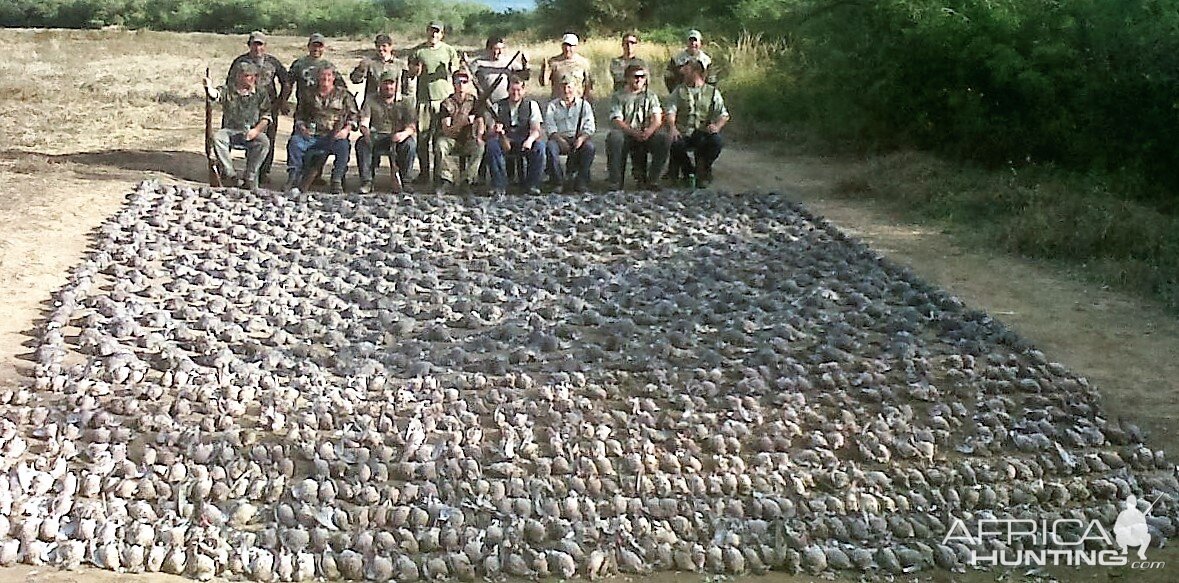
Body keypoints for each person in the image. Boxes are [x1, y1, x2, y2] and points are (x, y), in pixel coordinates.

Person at [225, 31, 290, 184]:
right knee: (233, 133)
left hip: (267, 106)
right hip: (242, 106)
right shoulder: (240, 62)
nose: (257, 48)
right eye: (254, 44)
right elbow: (230, 83)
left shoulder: (273, 62)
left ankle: (262, 171)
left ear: (265, 46)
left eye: (260, 44)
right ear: (249, 45)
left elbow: (286, 82)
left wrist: (282, 101)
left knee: (267, 139)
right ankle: (226, 170)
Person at [285, 65, 357, 194]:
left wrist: (346, 130)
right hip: (311, 135)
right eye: (323, 75)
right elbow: (299, 114)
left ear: (334, 78)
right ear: (318, 77)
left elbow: (354, 115)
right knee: (295, 142)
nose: (326, 78)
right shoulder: (308, 93)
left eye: (329, 75)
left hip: (334, 135)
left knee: (344, 146)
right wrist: (302, 127)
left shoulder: (344, 95)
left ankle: (337, 179)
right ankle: (294, 177)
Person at [204, 63, 272, 191]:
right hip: (231, 131)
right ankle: (230, 174)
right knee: (218, 138)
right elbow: (215, 95)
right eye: (247, 76)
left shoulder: (261, 93)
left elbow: (266, 117)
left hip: (250, 132)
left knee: (263, 142)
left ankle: (250, 177)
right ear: (239, 77)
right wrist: (209, 87)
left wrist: (256, 131)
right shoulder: (228, 90)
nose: (252, 79)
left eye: (254, 76)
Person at [409, 21, 461, 186]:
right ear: (426, 32)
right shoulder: (418, 51)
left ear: (442, 34)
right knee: (422, 140)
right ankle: (424, 173)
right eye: (431, 31)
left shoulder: (449, 51)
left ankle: (440, 175)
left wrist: (449, 71)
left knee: (441, 139)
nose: (434, 34)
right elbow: (410, 74)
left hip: (444, 102)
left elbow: (457, 73)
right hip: (424, 101)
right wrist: (415, 71)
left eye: (437, 32)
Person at [664, 59, 729, 187]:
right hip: (683, 131)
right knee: (675, 142)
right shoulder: (678, 91)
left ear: (696, 72)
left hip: (703, 132)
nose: (682, 72)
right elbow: (670, 111)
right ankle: (688, 171)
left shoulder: (712, 92)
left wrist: (717, 126)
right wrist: (672, 127)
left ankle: (704, 169)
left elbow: (724, 114)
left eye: (686, 69)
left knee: (716, 142)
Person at [606, 64, 668, 191]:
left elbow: (657, 118)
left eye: (642, 76)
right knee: (614, 138)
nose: (639, 79)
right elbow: (616, 119)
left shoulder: (651, 96)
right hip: (626, 133)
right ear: (627, 78)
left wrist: (649, 131)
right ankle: (616, 181)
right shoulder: (618, 96)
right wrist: (632, 132)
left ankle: (653, 180)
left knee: (663, 138)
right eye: (635, 77)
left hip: (646, 133)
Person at [356, 71, 417, 194]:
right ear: (380, 85)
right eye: (385, 84)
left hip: (398, 136)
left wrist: (403, 134)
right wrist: (366, 132)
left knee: (410, 144)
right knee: (362, 143)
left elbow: (412, 125)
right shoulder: (371, 100)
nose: (388, 87)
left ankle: (406, 181)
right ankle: (367, 181)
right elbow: (364, 121)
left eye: (391, 84)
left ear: (396, 85)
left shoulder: (405, 102)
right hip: (376, 136)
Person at [486, 76, 545, 196]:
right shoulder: (498, 106)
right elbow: (490, 130)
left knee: (539, 147)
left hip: (524, 139)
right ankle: (499, 185)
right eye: (513, 89)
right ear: (508, 90)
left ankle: (532, 185)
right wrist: (496, 130)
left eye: (518, 90)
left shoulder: (532, 105)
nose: (515, 93)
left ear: (523, 91)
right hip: (504, 140)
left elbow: (536, 129)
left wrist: (529, 140)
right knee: (492, 145)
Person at [434, 70, 485, 195]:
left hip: (469, 139)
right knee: (441, 145)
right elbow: (446, 129)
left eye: (464, 82)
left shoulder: (474, 102)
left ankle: (467, 180)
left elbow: (480, 121)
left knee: (480, 147)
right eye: (458, 82)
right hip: (452, 139)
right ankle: (446, 179)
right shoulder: (446, 104)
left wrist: (479, 136)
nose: (461, 85)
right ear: (453, 84)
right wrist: (462, 123)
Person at [544, 74, 595, 193]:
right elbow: (550, 127)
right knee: (550, 147)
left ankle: (581, 181)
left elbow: (590, 127)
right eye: (563, 87)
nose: (566, 91)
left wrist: (581, 139)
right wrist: (560, 140)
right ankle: (558, 181)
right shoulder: (552, 106)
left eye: (569, 87)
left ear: (576, 88)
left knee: (589, 148)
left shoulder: (584, 105)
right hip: (559, 138)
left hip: (578, 138)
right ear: (559, 89)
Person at [350, 33, 410, 108]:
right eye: (378, 46)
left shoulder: (400, 65)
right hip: (373, 105)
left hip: (394, 105)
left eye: (384, 46)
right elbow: (355, 80)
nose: (381, 49)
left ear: (390, 47)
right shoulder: (370, 63)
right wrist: (360, 69)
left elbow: (406, 87)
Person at [469, 35, 530, 106]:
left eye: (502, 49)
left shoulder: (509, 62)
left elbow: (525, 77)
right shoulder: (478, 63)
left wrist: (525, 64)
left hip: (505, 104)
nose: (500, 52)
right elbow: (466, 77)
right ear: (488, 49)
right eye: (497, 49)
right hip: (485, 104)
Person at [543, 33, 593, 101]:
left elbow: (588, 85)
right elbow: (544, 83)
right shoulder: (553, 62)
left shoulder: (583, 63)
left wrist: (585, 102)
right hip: (558, 104)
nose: (567, 49)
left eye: (570, 46)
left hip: (577, 104)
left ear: (576, 47)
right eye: (565, 45)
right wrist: (544, 69)